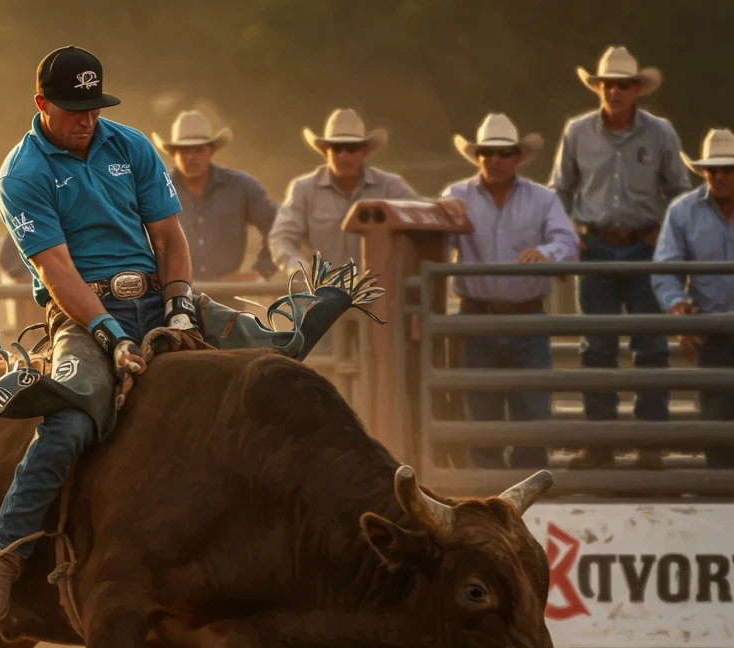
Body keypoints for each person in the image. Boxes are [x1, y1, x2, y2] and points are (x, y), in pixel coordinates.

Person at [0, 46, 193, 621]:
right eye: (74, 109)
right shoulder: (22, 172)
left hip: (156, 297)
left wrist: (181, 308)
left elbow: (168, 236)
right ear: (42, 103)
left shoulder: (132, 145)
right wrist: (111, 335)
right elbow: (55, 269)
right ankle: (5, 550)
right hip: (79, 312)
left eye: (94, 107)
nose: (86, 120)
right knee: (70, 422)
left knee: (265, 368)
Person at [550, 46, 690, 471]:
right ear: (599, 88)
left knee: (649, 346)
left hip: (644, 246)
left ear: (636, 90)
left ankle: (648, 443)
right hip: (595, 246)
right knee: (597, 349)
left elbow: (679, 191)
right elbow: (559, 190)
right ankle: (601, 442)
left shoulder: (660, 133)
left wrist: (658, 234)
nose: (614, 91)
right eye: (607, 84)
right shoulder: (577, 132)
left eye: (622, 85)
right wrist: (571, 235)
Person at [442, 114, 579, 471]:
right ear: (478, 156)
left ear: (517, 157)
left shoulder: (542, 198)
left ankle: (528, 482)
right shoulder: (455, 196)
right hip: (476, 317)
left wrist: (545, 253)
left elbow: (566, 240)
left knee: (532, 410)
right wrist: (440, 216)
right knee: (480, 411)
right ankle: (486, 487)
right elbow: (436, 241)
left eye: (503, 153)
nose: (495, 160)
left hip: (526, 316)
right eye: (487, 153)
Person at [653, 128, 734, 469]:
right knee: (716, 419)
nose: (719, 176)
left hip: (711, 324)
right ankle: (721, 498)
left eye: (727, 169)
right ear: (702, 171)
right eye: (712, 169)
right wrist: (678, 306)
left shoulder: (683, 210)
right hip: (711, 327)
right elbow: (665, 267)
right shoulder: (683, 210)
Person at [269, 108, 417, 276]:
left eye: (351, 148)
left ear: (364, 151)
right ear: (326, 151)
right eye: (337, 148)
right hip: (323, 294)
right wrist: (296, 264)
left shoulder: (391, 187)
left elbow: (422, 215)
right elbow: (281, 237)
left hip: (379, 291)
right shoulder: (303, 190)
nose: (343, 156)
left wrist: (445, 205)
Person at [150, 110, 278, 281]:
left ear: (211, 150)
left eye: (198, 150)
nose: (190, 157)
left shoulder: (240, 186)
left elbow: (279, 227)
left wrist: (259, 272)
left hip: (227, 295)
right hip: (174, 293)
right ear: (173, 153)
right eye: (183, 151)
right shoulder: (157, 189)